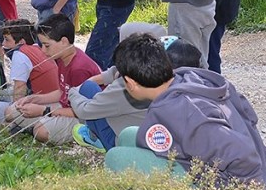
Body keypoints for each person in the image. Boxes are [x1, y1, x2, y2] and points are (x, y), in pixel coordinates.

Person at [102, 34, 266, 190]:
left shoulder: (178, 110)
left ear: (130, 83)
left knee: (116, 158)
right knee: (128, 135)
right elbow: (249, 116)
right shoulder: (187, 78)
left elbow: (243, 155)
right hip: (237, 167)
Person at [70, 35, 202, 153]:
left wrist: (72, 91)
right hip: (157, 141)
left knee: (88, 89)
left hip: (124, 143)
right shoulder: (191, 86)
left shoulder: (130, 87)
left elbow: (85, 111)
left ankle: (97, 139)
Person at [8, 14, 100, 144]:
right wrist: (36, 98)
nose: (43, 50)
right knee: (11, 111)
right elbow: (62, 92)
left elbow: (84, 111)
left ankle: (49, 128)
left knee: (41, 131)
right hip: (66, 107)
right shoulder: (62, 57)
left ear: (63, 41)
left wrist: (44, 110)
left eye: (47, 45)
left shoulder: (79, 68)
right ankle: (41, 125)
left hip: (84, 118)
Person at [0, 19, 59, 124]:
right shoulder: (37, 47)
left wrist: (14, 114)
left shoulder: (20, 54)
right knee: (1, 94)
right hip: (53, 100)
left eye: (7, 40)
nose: (3, 43)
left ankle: (16, 124)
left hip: (40, 106)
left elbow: (19, 89)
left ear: (21, 42)